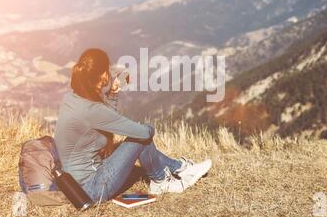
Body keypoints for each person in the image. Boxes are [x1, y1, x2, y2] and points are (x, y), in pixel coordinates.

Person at [54, 48, 212, 203]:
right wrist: (150, 129)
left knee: (139, 137)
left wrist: (113, 92)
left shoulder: (72, 99)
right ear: (103, 74)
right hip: (92, 189)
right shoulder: (91, 109)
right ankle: (165, 179)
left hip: (76, 187)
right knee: (141, 137)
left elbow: (103, 120)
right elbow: (142, 133)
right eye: (108, 69)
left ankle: (180, 168)